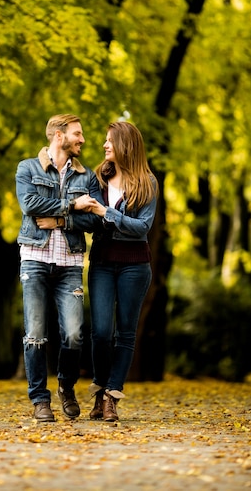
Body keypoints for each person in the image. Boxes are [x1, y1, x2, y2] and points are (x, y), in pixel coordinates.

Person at [15, 114, 101, 422]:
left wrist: (62, 219)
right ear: (58, 135)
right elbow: (29, 204)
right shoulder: (28, 168)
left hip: (70, 263)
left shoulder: (87, 177)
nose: (82, 139)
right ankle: (40, 399)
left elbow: (95, 219)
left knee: (75, 334)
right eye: (77, 133)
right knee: (35, 334)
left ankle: (66, 386)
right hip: (35, 258)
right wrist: (73, 206)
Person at [77, 121, 158, 422]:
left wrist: (105, 212)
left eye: (110, 141)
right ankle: (99, 389)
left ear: (125, 144)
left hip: (135, 265)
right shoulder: (97, 178)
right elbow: (91, 221)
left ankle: (111, 396)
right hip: (102, 261)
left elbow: (142, 228)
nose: (104, 145)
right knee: (99, 332)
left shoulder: (147, 182)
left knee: (125, 332)